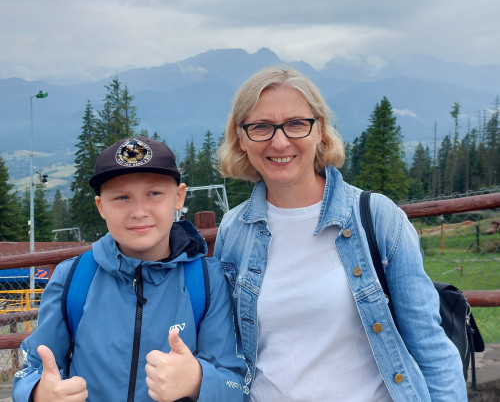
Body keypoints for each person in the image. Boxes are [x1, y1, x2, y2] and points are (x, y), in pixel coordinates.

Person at [214, 66, 466, 401]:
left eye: (296, 123)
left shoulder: (377, 217)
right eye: (261, 126)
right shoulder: (234, 230)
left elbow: (429, 344)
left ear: (319, 130)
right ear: (241, 138)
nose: (280, 141)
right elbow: (230, 350)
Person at [13, 136, 247, 402]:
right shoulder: (73, 278)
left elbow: (235, 383)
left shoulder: (207, 281)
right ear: (101, 206)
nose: (138, 211)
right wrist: (38, 392)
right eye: (122, 197)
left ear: (179, 197)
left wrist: (198, 382)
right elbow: (32, 371)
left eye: (154, 194)